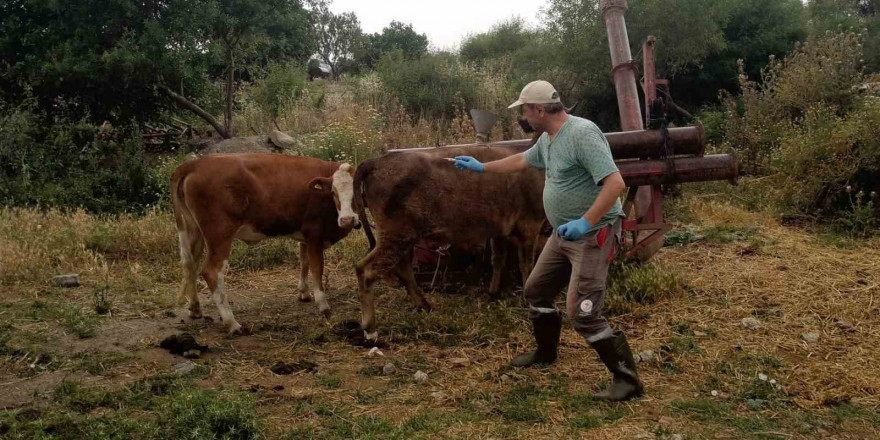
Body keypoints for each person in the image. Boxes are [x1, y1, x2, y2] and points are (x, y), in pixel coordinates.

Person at [453, 80, 643, 401]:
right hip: (563, 233)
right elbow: (522, 160)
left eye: (526, 110)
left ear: (540, 110)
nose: (524, 116)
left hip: (592, 234)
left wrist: (585, 222)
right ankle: (546, 353)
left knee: (583, 313)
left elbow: (615, 183)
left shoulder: (582, 134)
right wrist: (481, 167)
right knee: (536, 290)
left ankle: (627, 379)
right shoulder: (548, 138)